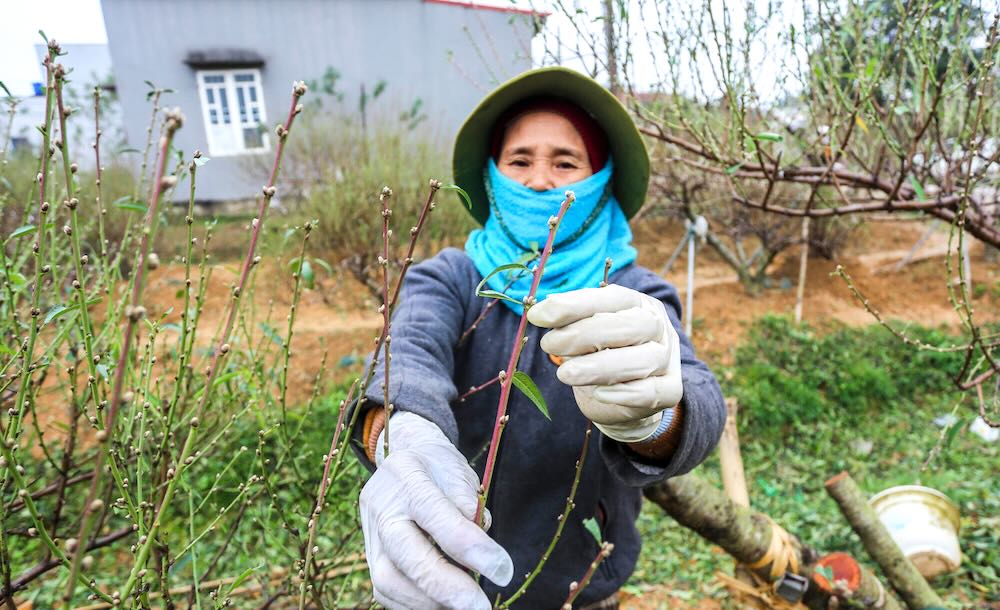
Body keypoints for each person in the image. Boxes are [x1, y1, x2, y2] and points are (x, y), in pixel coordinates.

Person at [351, 67, 726, 610]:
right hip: (444, 581)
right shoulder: (453, 277)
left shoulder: (636, 294)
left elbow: (699, 399)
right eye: (520, 161)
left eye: (566, 162)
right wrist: (399, 437)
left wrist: (658, 420)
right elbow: (406, 351)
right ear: (493, 178)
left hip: (580, 590)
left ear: (600, 185)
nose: (540, 180)